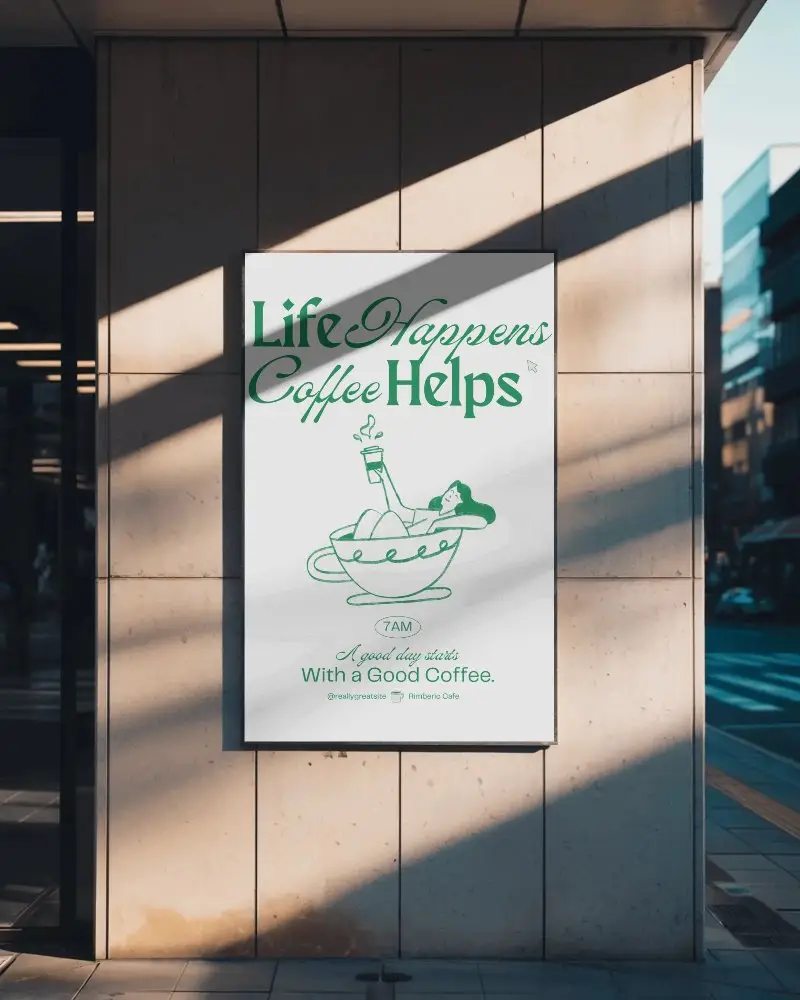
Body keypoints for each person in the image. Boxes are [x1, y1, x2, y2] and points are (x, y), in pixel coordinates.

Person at [353, 464, 495, 540]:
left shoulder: (456, 520)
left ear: (460, 504)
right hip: (398, 539)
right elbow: (399, 511)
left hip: (405, 546)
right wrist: (385, 478)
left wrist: (437, 524)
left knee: (389, 518)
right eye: (450, 491)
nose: (450, 495)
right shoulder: (431, 514)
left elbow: (481, 522)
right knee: (371, 514)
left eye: (456, 496)